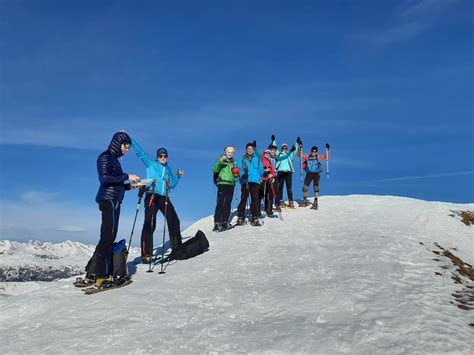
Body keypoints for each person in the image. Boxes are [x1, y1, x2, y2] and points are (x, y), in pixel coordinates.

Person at [91, 131, 140, 287]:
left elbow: (116, 184)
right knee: (107, 238)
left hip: (114, 199)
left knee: (108, 237)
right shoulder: (105, 157)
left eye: (129, 147)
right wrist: (127, 176)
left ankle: (95, 273)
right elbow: (104, 179)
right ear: (117, 143)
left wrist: (132, 186)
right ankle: (101, 276)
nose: (127, 149)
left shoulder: (115, 160)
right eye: (126, 146)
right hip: (109, 201)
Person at [131, 138, 183, 263]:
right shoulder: (151, 164)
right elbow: (140, 153)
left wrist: (178, 176)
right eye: (161, 156)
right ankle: (146, 255)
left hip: (164, 196)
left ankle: (177, 247)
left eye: (165, 156)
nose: (163, 157)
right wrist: (131, 140)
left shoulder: (168, 169)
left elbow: (172, 185)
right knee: (150, 223)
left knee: (174, 220)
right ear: (157, 157)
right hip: (152, 195)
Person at [235, 142, 264, 226]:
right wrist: (242, 175)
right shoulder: (242, 159)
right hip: (245, 181)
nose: (250, 150)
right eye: (248, 149)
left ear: (253, 150)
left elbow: (261, 169)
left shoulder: (257, 159)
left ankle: (254, 216)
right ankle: (241, 216)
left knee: (254, 199)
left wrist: (264, 174)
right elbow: (238, 169)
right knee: (243, 198)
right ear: (246, 150)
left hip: (255, 181)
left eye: (251, 149)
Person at [212, 146, 240, 231]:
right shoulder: (222, 160)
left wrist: (237, 173)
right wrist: (220, 161)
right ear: (226, 152)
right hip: (222, 183)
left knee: (228, 203)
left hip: (231, 184)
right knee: (220, 202)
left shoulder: (233, 163)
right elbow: (215, 169)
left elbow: (236, 175)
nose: (230, 154)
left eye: (231, 152)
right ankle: (217, 223)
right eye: (228, 152)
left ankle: (224, 222)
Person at [298, 139, 330, 210]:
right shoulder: (307, 156)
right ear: (311, 151)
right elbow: (299, 155)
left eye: (315, 151)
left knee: (316, 187)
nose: (313, 152)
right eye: (312, 151)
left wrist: (328, 149)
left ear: (317, 151)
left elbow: (326, 156)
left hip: (316, 174)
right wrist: (299, 148)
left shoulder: (318, 157)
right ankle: (305, 200)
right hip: (309, 173)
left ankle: (315, 201)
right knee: (305, 187)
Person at [271, 135, 300, 208]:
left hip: (288, 172)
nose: (284, 149)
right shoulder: (279, 154)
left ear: (287, 149)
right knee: (280, 186)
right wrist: (273, 140)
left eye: (285, 148)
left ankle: (291, 201)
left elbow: (294, 151)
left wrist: (297, 143)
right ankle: (280, 200)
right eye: (283, 148)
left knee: (289, 187)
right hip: (281, 171)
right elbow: (274, 148)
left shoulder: (289, 155)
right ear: (281, 149)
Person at [260, 148, 277, 217]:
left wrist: (272, 175)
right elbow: (259, 170)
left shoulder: (270, 162)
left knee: (270, 195)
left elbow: (273, 171)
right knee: (262, 195)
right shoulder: (261, 160)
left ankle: (269, 210)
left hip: (269, 180)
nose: (267, 154)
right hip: (263, 179)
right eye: (266, 153)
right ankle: (259, 211)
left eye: (268, 153)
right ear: (263, 154)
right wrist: (265, 170)